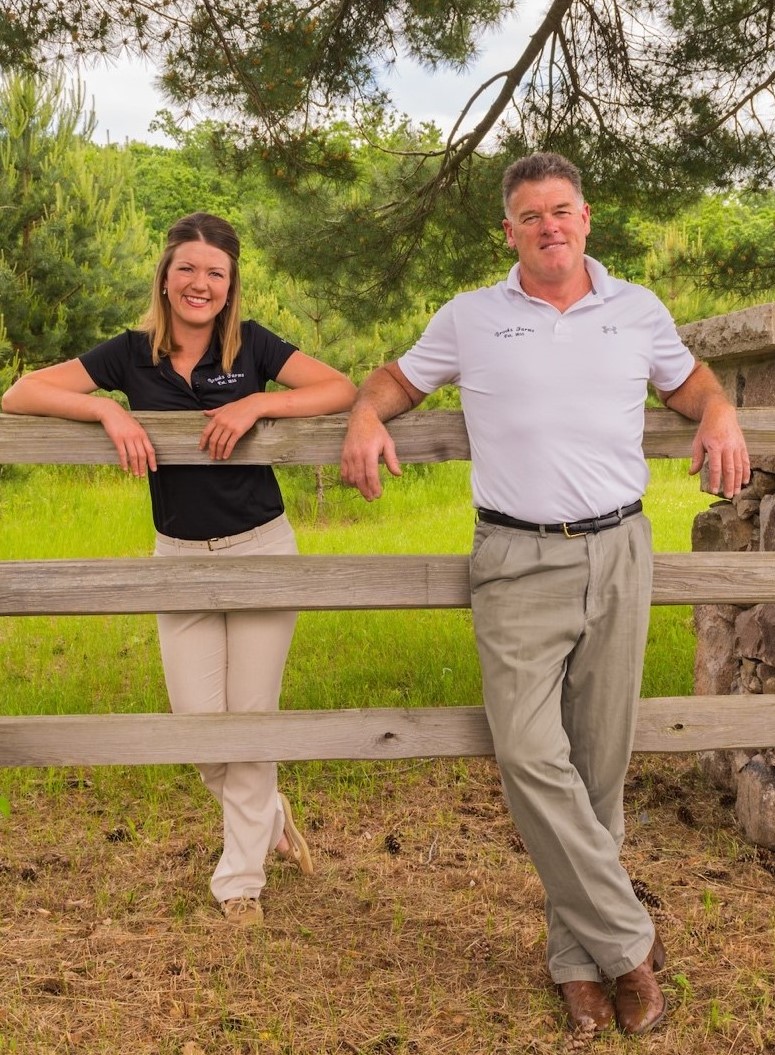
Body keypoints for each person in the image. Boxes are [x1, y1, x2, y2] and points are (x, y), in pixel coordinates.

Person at [340, 153, 750, 1035]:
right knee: (529, 755)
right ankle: (632, 943)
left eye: (561, 209)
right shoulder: (472, 317)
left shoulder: (635, 310)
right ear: (510, 231)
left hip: (618, 552)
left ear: (586, 217)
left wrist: (717, 411)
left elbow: (690, 384)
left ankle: (578, 962)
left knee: (596, 767)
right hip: (515, 561)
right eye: (531, 215)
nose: (549, 225)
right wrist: (367, 415)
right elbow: (395, 380)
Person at [2, 212, 356, 927]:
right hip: (178, 559)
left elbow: (339, 388)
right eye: (187, 269)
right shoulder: (131, 355)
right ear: (165, 278)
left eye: (215, 273)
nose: (200, 283)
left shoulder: (253, 347)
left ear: (230, 287)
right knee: (198, 728)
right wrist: (106, 413)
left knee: (248, 719)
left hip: (260, 549)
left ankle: (240, 887)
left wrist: (259, 399)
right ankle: (265, 808)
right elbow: (20, 392)